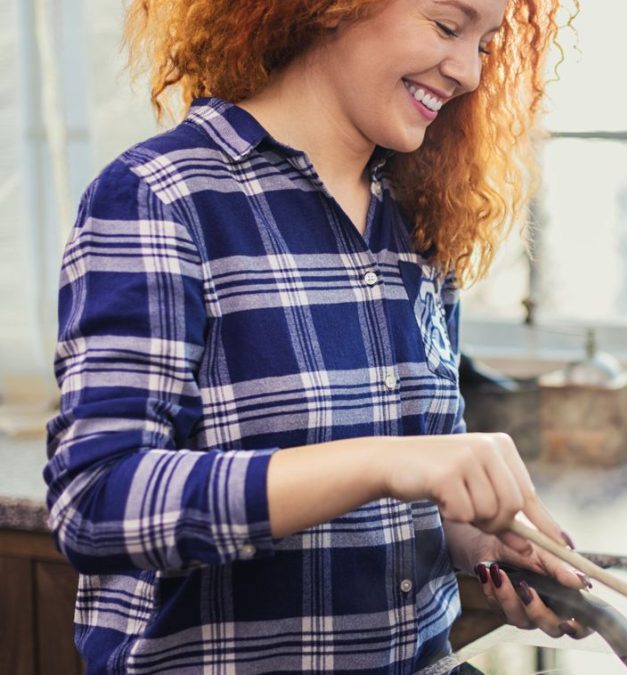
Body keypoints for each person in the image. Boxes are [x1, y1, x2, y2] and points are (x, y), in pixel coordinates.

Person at [44, 0, 587, 672]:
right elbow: (96, 503)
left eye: (485, 42)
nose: (470, 72)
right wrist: (379, 461)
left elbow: (405, 492)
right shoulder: (161, 198)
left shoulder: (420, 220)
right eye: (449, 27)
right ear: (331, 8)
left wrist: (476, 536)